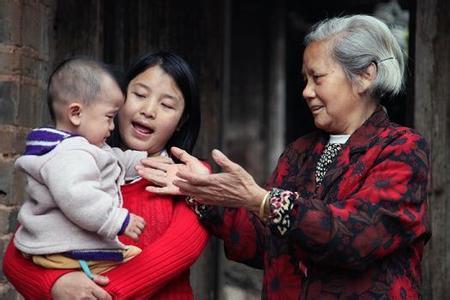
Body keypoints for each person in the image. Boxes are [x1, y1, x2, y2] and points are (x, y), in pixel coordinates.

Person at [140, 15, 430, 299]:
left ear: (366, 75)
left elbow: (359, 235)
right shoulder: (299, 152)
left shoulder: (401, 148)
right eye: (305, 79)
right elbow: (262, 243)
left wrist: (263, 201)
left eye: (317, 78)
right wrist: (206, 194)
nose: (306, 91)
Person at [3, 51, 209, 299]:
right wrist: (57, 285)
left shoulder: (192, 177)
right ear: (118, 101)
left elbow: (179, 250)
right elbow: (17, 255)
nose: (149, 110)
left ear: (181, 120)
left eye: (166, 105)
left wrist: (99, 294)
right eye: (140, 95)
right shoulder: (74, 164)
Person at [14, 58, 146, 278]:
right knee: (137, 265)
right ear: (75, 113)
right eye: (109, 117)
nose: (112, 127)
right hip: (67, 248)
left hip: (61, 246)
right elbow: (77, 195)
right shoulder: (70, 154)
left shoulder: (79, 147)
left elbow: (116, 159)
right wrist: (117, 220)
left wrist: (145, 162)